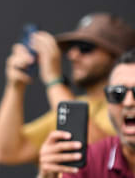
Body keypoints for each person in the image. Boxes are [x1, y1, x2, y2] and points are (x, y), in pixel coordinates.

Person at [0, 13, 135, 165]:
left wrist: (54, 80)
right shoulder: (73, 103)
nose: (73, 55)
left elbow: (102, 156)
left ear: (117, 56)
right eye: (71, 48)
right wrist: (16, 86)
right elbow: (7, 151)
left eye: (85, 48)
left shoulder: (124, 107)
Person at [38, 48, 135, 177]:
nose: (128, 102)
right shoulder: (93, 158)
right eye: (117, 93)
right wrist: (46, 175)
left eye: (85, 48)